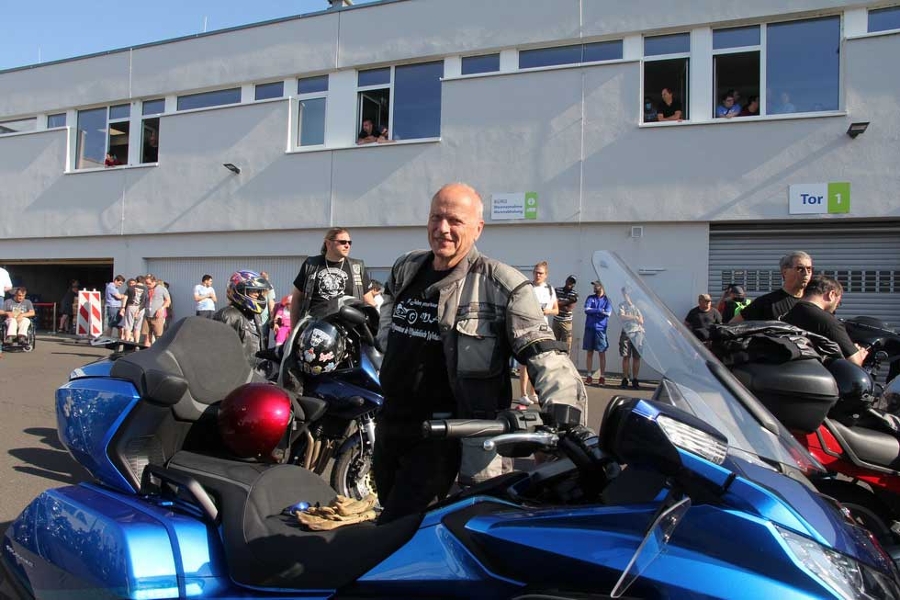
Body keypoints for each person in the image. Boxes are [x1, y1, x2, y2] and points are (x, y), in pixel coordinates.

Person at [374, 182, 586, 524]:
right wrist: (386, 340)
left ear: (478, 228)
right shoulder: (406, 267)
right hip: (392, 424)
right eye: (436, 217)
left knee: (400, 529)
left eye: (454, 220)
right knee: (390, 511)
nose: (442, 228)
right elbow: (388, 301)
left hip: (449, 434)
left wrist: (567, 413)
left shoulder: (502, 284)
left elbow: (544, 352)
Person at [290, 227, 374, 328]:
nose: (347, 245)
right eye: (343, 242)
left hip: (348, 329)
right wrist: (294, 330)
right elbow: (296, 300)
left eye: (349, 242)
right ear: (328, 243)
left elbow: (369, 302)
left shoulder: (357, 267)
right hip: (315, 325)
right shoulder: (311, 265)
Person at [783, 275, 868, 367]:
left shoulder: (786, 315)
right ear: (831, 294)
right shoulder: (828, 322)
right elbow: (854, 363)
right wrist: (860, 355)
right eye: (838, 303)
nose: (837, 306)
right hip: (815, 377)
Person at [517, 261, 558, 408]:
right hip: (527, 328)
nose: (537, 275)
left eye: (540, 273)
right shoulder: (527, 287)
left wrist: (547, 311)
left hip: (542, 328)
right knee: (524, 362)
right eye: (535, 272)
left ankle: (533, 392)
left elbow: (556, 310)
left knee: (537, 362)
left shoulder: (549, 289)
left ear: (546, 275)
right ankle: (523, 394)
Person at [731, 251, 812, 323]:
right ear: (785, 272)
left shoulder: (814, 302)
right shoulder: (766, 303)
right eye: (800, 269)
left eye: (809, 269)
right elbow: (733, 326)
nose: (806, 273)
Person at [213, 270, 270, 369]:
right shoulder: (229, 315)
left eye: (259, 291)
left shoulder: (255, 316)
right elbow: (220, 352)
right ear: (240, 290)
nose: (257, 294)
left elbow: (258, 349)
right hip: (238, 375)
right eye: (253, 290)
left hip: (255, 372)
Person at [583, 280, 612, 385]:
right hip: (589, 328)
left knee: (601, 353)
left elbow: (607, 313)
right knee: (589, 352)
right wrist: (599, 311)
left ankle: (602, 376)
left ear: (602, 286)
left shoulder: (607, 300)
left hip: (601, 329)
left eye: (597, 285)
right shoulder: (590, 298)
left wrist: (594, 311)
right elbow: (586, 309)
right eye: (594, 285)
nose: (595, 287)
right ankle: (589, 375)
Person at [618, 286, 644, 389]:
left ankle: (635, 379)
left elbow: (641, 321)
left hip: (637, 333)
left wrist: (637, 318)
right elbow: (622, 317)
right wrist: (634, 317)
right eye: (624, 294)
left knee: (636, 357)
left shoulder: (638, 306)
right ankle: (625, 378)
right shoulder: (622, 305)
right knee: (626, 356)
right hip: (626, 333)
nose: (626, 296)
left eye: (627, 294)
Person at [140, 274, 171, 348]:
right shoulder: (146, 289)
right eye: (146, 283)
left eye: (149, 283)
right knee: (147, 335)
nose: (147, 285)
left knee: (158, 335)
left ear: (154, 281)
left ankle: (158, 350)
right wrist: (138, 310)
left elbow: (168, 301)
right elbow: (144, 302)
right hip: (147, 315)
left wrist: (161, 308)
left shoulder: (162, 289)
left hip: (157, 316)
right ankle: (146, 352)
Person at [552, 275, 579, 356]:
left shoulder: (574, 294)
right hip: (556, 320)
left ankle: (565, 365)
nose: (570, 283)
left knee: (566, 346)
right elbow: (553, 304)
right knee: (554, 344)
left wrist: (558, 303)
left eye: (573, 282)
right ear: (566, 280)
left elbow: (569, 309)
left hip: (566, 322)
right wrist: (566, 302)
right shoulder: (557, 290)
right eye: (569, 281)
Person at [122, 276, 147, 343]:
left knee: (128, 325)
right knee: (138, 327)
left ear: (136, 281)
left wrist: (123, 308)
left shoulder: (130, 288)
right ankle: (136, 343)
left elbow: (125, 298)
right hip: (140, 308)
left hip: (131, 307)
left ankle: (126, 342)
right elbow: (145, 301)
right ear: (144, 281)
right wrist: (139, 309)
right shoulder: (146, 289)